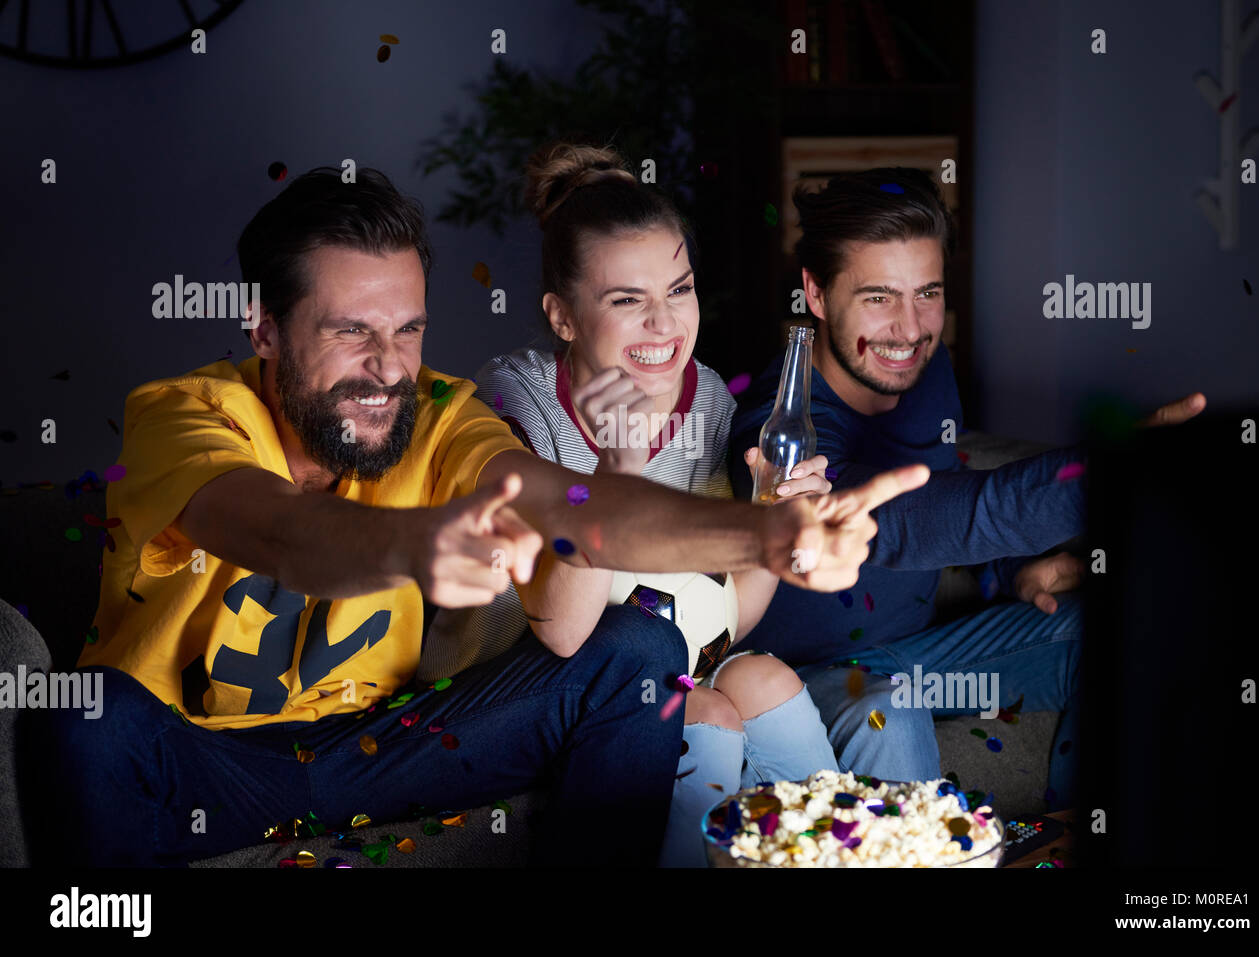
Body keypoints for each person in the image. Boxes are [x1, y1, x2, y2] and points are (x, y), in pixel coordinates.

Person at [42, 166, 925, 867]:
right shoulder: (181, 413)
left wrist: (770, 533)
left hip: (387, 745)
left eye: (409, 331)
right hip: (209, 757)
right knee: (82, 715)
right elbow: (272, 528)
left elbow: (575, 506)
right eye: (351, 331)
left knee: (639, 649)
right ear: (265, 328)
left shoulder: (437, 409)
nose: (385, 368)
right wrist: (420, 545)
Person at [728, 167, 1205, 810]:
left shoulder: (923, 368)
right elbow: (908, 522)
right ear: (815, 293)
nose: (909, 328)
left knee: (1128, 625)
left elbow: (952, 498)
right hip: (812, 676)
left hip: (921, 653)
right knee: (885, 709)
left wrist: (1014, 570)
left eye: (928, 292)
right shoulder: (781, 428)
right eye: (878, 297)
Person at [422, 142, 841, 866]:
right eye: (626, 300)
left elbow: (719, 615)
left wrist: (772, 516)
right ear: (562, 316)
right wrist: (617, 468)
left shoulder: (704, 394)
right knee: (703, 708)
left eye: (679, 290)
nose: (665, 324)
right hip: (509, 686)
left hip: (651, 667)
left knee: (765, 679)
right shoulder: (510, 403)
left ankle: (853, 853)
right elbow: (561, 634)